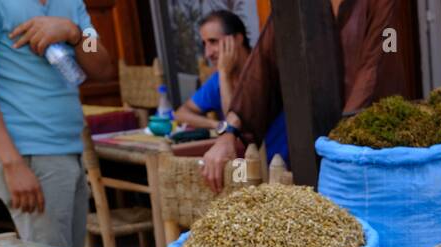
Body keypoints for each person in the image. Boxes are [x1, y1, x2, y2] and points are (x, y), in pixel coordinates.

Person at [0, 0, 115, 247]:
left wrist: (76, 35)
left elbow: (102, 67)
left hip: (70, 150)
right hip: (28, 154)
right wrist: (12, 163)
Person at [201, 0, 405, 192]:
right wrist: (230, 132)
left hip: (370, 149)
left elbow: (379, 60)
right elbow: (263, 65)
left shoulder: (382, 8)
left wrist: (343, 137)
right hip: (315, 154)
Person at [173, 10, 252, 132]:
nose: (207, 54)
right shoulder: (218, 79)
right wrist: (218, 125)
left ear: (238, 39)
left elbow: (237, 126)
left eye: (213, 41)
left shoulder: (262, 71)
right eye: (204, 44)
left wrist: (224, 74)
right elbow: (180, 114)